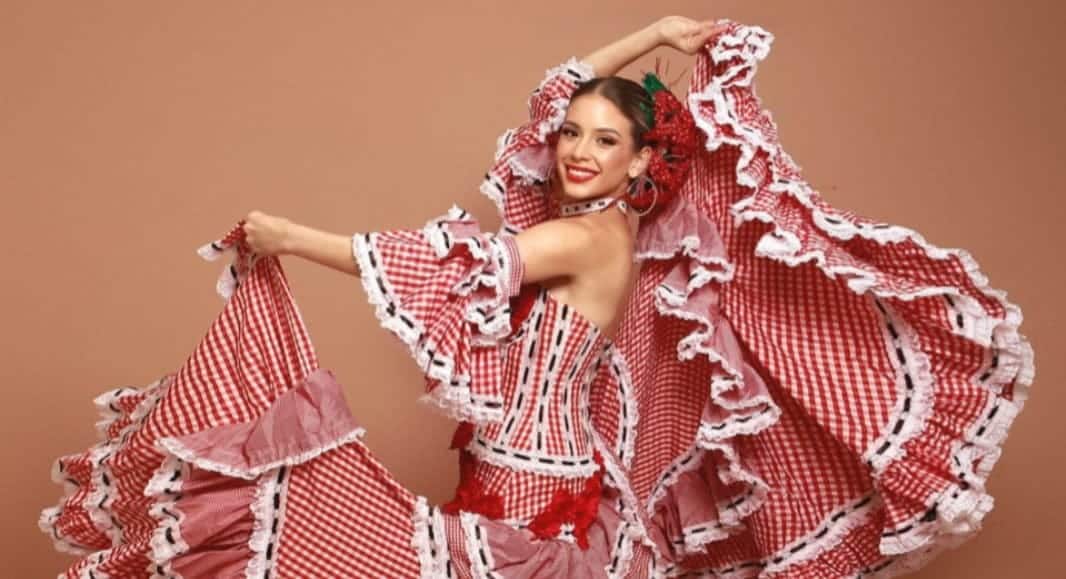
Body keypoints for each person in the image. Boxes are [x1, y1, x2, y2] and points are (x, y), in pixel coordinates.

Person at [40, 16, 1034, 579]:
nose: (576, 148)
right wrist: (650, 35)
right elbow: (545, 100)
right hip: (519, 466)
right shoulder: (590, 221)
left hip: (536, 483)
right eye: (574, 136)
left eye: (606, 140)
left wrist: (288, 236)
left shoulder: (583, 238)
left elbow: (457, 269)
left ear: (645, 160)